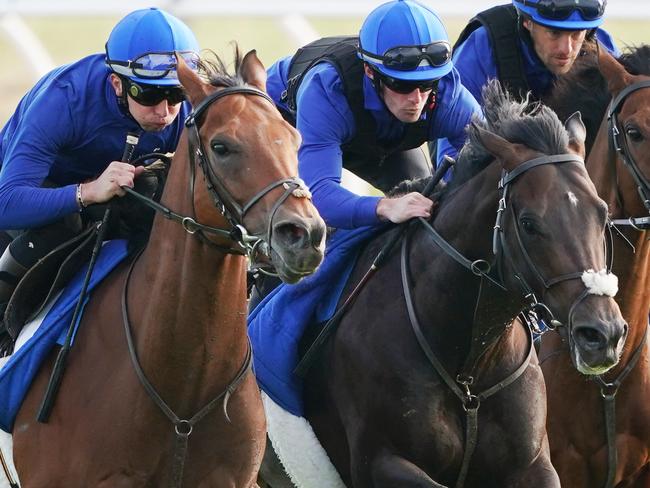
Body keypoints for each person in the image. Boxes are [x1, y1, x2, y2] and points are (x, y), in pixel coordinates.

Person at [248, 0, 481, 307]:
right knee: (297, 235)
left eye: (426, 84)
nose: (417, 99)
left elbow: (480, 162)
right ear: (371, 71)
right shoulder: (326, 91)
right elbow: (320, 195)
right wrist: (383, 207)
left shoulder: (448, 93)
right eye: (402, 84)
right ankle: (261, 319)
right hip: (291, 127)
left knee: (429, 207)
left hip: (378, 136)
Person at [0, 8, 200, 325]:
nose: (164, 112)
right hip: (28, 195)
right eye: (148, 94)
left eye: (176, 94)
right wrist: (88, 192)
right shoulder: (64, 100)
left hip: (97, 192)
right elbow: (7, 203)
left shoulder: (185, 111)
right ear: (117, 84)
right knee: (64, 226)